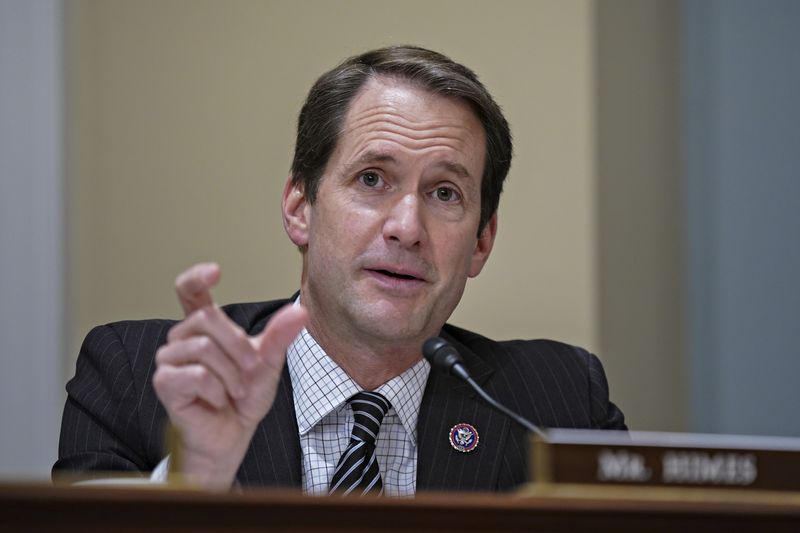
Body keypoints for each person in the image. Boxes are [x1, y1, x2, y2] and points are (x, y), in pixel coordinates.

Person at [54, 45, 626, 495]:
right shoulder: (139, 381)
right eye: (372, 179)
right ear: (300, 208)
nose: (407, 226)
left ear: (481, 242)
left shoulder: (558, 403)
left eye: (445, 192)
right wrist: (194, 481)